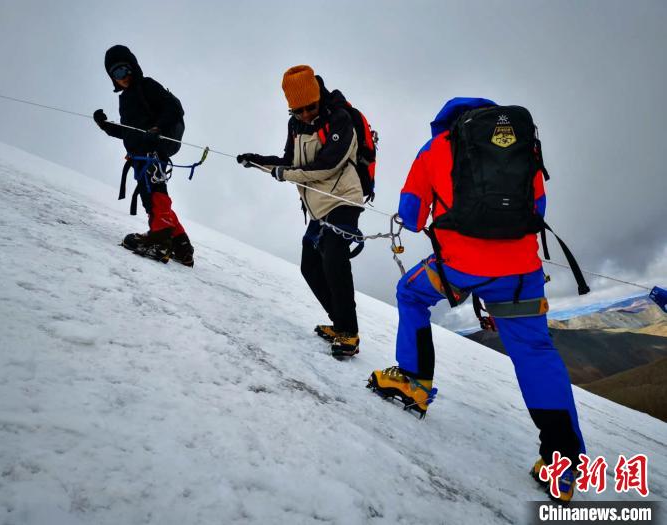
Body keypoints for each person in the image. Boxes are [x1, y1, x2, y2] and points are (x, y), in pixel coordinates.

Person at [368, 97, 586, 502]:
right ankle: (564, 463)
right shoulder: (522, 145)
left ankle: (415, 382)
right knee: (536, 352)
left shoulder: (435, 149)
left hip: (459, 267)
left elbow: (413, 216)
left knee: (411, 294)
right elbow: (537, 206)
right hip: (520, 272)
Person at [237, 65, 363, 358]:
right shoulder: (295, 126)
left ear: (318, 98)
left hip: (345, 200)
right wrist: (256, 161)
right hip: (318, 207)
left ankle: (349, 333)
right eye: (298, 111)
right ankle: (340, 323)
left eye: (310, 107)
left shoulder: (340, 119)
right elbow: (288, 162)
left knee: (334, 260)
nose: (306, 115)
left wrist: (285, 174)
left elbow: (327, 165)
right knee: (310, 266)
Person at [93, 45, 194, 266]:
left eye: (125, 70)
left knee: (153, 193)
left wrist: (157, 129)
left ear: (134, 68)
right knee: (154, 192)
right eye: (116, 73)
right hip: (139, 155)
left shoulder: (147, 85)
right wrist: (105, 125)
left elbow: (173, 109)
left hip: (153, 151)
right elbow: (129, 132)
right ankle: (181, 246)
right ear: (112, 78)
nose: (123, 76)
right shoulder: (126, 99)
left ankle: (159, 242)